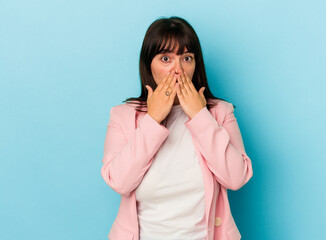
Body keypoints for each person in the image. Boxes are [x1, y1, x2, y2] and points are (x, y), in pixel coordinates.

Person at [101, 16, 253, 240]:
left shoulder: (220, 112)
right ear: (148, 65)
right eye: (165, 58)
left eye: (186, 58)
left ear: (195, 65)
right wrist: (153, 120)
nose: (178, 69)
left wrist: (200, 116)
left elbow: (236, 178)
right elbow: (120, 182)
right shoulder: (123, 116)